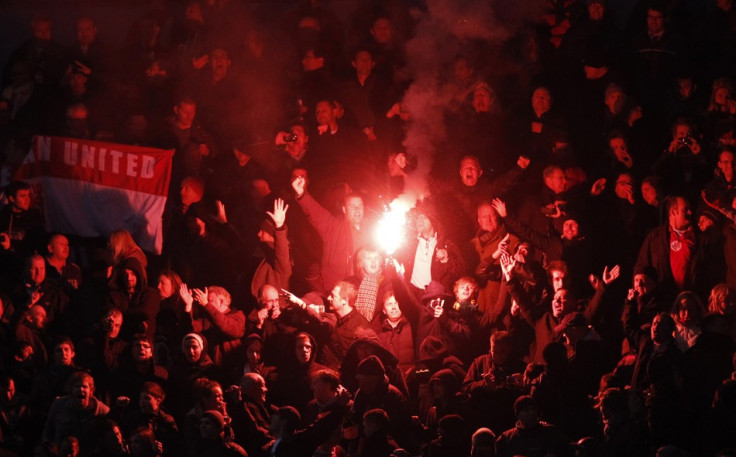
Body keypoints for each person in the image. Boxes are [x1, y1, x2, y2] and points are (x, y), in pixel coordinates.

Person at [292, 174, 373, 293]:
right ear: (344, 210)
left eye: (360, 206)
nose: (357, 210)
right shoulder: (333, 227)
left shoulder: (372, 231)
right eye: (352, 206)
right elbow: (316, 212)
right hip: (336, 291)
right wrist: (302, 194)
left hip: (363, 289)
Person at [494, 395, 569, 457]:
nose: (531, 412)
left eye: (533, 409)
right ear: (517, 415)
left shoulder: (551, 432)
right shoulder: (506, 438)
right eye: (526, 410)